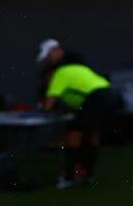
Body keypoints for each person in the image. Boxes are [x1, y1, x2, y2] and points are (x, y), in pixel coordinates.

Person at [36, 38, 122, 188]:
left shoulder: (60, 73)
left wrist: (41, 110)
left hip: (96, 98)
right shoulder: (76, 67)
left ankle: (69, 177)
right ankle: (87, 174)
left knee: (73, 134)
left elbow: (48, 105)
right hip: (110, 95)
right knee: (92, 135)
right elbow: (79, 98)